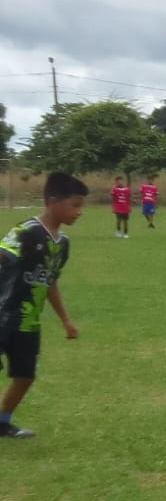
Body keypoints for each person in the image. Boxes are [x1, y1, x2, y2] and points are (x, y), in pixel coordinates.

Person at [0, 172, 86, 439]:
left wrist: (66, 320)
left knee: (25, 376)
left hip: (29, 321)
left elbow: (50, 282)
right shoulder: (26, 231)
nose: (79, 212)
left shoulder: (63, 244)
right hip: (3, 315)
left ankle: (2, 422)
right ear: (53, 202)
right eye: (75, 205)